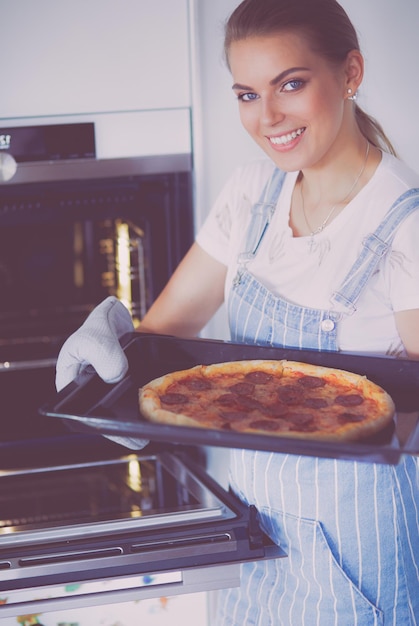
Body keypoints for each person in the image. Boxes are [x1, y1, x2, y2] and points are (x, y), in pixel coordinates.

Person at [56, 0, 419, 623]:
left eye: (292, 84)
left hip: (357, 555)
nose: (268, 117)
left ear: (351, 72)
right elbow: (160, 349)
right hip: (249, 531)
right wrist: (106, 351)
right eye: (247, 94)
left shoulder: (405, 225)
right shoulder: (252, 194)